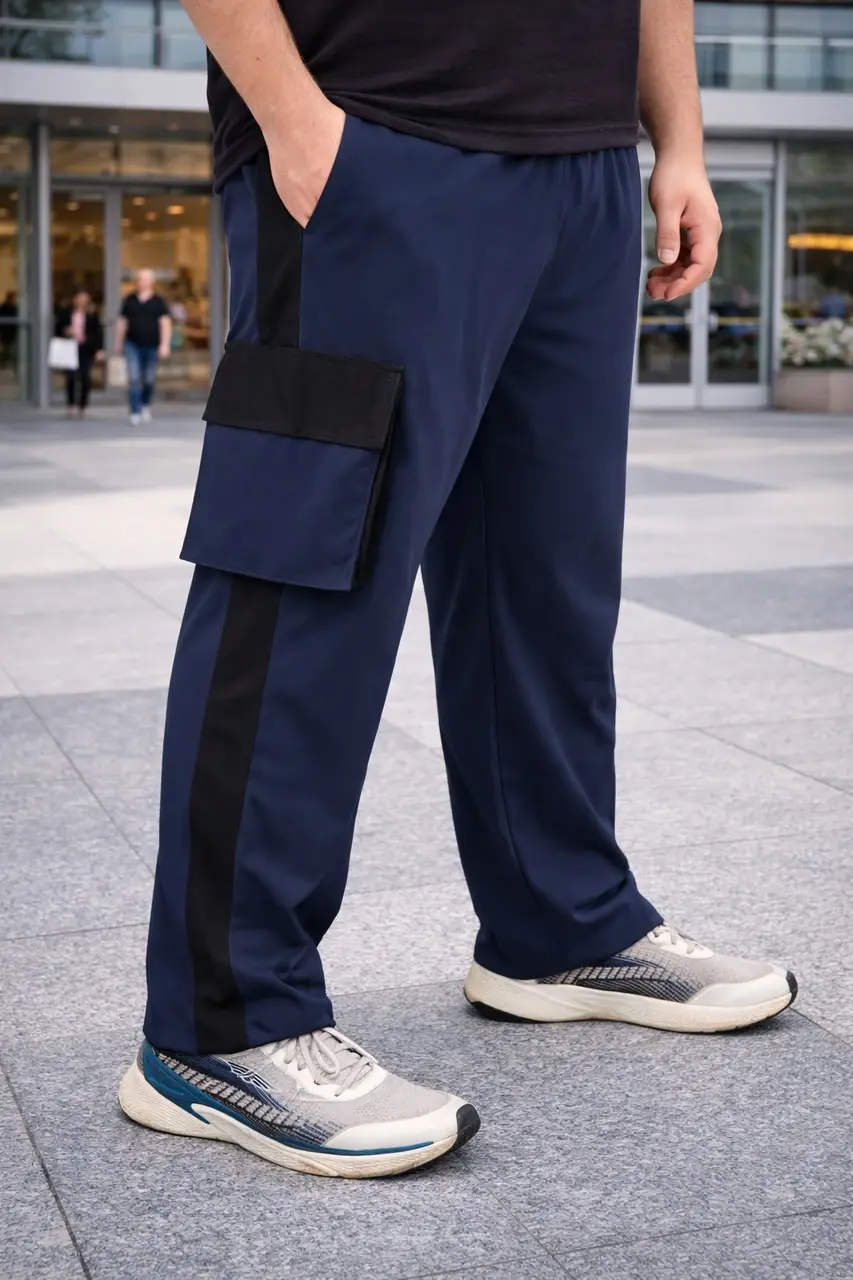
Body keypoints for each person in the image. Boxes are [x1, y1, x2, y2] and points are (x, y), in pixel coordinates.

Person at [119, 0, 798, 1179]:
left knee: (549, 582)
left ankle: (559, 918)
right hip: (376, 130)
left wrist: (676, 141)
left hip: (584, 166)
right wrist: (293, 118)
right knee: (304, 566)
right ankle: (222, 1018)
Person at [115, 268, 171, 425]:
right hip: (132, 344)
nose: (143, 283)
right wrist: (118, 343)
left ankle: (145, 404)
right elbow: (122, 323)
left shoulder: (158, 301)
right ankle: (135, 410)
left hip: (152, 345)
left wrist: (165, 344)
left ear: (152, 282)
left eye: (146, 280)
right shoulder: (129, 300)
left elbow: (165, 323)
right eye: (140, 279)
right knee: (133, 378)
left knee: (149, 379)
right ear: (136, 282)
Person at [55, 288, 103, 418]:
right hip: (69, 347)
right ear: (74, 299)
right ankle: (70, 404)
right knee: (70, 377)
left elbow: (98, 333)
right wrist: (66, 331)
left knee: (85, 377)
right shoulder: (65, 313)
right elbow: (57, 328)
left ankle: (83, 406)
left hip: (85, 348)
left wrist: (98, 349)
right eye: (79, 297)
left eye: (84, 297)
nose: (81, 300)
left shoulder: (92, 314)